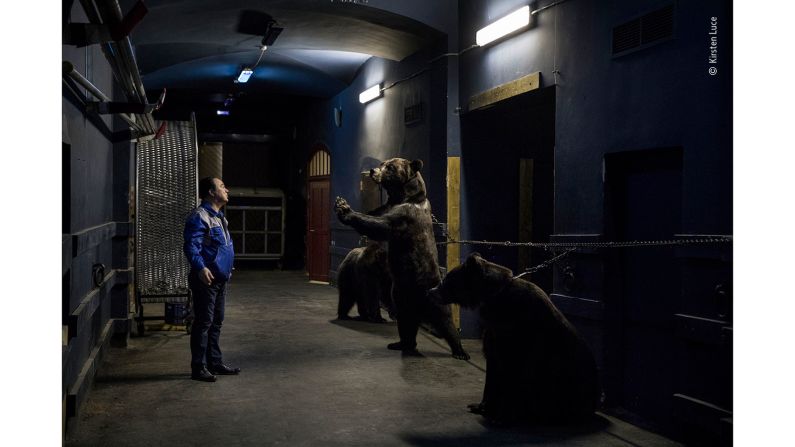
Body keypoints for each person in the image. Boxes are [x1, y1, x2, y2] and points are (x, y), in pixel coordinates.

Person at [183, 177, 241, 382]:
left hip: (220, 279)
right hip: (205, 280)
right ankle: (198, 367)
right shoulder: (200, 216)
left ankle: (214, 362)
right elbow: (191, 246)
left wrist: (226, 268)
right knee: (204, 322)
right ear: (210, 192)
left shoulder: (220, 217)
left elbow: (222, 247)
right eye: (222, 186)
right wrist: (200, 268)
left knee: (216, 321)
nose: (227, 190)